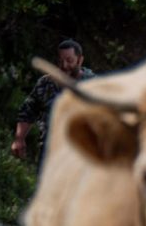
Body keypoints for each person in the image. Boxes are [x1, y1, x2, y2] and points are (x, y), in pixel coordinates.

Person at [11, 39, 95, 167]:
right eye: (60, 61)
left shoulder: (95, 86)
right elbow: (28, 111)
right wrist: (19, 139)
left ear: (80, 60)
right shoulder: (46, 83)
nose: (64, 66)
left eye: (69, 60)